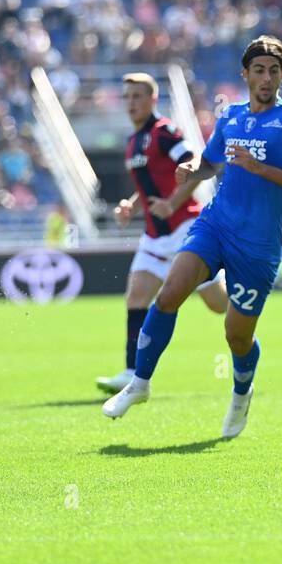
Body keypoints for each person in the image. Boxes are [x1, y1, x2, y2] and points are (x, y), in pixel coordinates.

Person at [101, 37, 282, 439]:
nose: (266, 78)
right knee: (170, 293)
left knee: (236, 336)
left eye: (274, 71)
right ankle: (140, 382)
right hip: (214, 225)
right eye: (259, 70)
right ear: (246, 74)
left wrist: (260, 168)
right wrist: (191, 170)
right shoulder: (232, 116)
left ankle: (241, 392)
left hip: (257, 245)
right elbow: (210, 164)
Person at [96, 72, 228, 394]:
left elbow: (196, 166)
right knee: (136, 296)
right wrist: (130, 205)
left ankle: (244, 289)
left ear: (153, 99)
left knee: (220, 306)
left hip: (184, 228)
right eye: (126, 97)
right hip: (155, 236)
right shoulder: (132, 141)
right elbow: (147, 186)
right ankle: (132, 372)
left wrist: (171, 204)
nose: (131, 103)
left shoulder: (164, 132)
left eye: (137, 96)